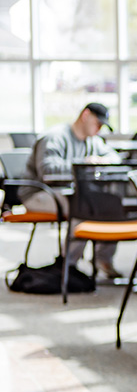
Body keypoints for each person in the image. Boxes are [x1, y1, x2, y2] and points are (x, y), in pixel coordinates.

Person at [22, 103, 123, 277]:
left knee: (110, 205)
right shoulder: (55, 136)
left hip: (70, 194)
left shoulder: (93, 140)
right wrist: (83, 164)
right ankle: (67, 266)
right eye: (97, 124)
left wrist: (101, 160)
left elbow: (115, 157)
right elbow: (47, 170)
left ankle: (103, 259)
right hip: (39, 193)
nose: (99, 129)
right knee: (82, 208)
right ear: (85, 115)